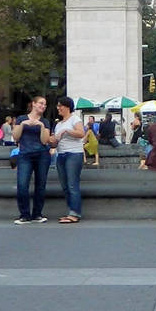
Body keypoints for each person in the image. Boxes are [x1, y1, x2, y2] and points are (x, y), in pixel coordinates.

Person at [12, 96, 53, 224]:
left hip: (42, 155)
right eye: (41, 103)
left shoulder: (45, 121)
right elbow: (16, 137)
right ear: (33, 104)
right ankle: (24, 214)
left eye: (45, 105)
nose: (43, 106)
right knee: (22, 184)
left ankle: (37, 214)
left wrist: (41, 126)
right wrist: (23, 125)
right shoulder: (21, 119)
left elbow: (44, 140)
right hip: (25, 155)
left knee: (40, 185)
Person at [50, 96, 89, 224]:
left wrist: (67, 130)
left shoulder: (75, 119)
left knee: (72, 184)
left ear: (67, 107)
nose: (58, 108)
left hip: (73, 154)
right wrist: (51, 140)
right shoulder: (58, 124)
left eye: (60, 106)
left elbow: (81, 133)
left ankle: (75, 213)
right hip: (61, 154)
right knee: (65, 185)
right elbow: (55, 143)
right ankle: (71, 210)